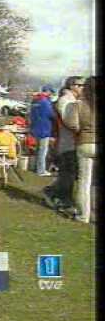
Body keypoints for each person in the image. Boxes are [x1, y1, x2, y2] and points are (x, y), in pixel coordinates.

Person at [43, 76, 85, 209]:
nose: (82, 88)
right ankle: (60, 198)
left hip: (72, 141)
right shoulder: (65, 100)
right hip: (66, 142)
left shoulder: (73, 100)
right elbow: (69, 121)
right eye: (80, 85)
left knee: (69, 172)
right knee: (68, 172)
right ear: (71, 86)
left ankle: (54, 193)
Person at [62, 77, 97, 223]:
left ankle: (84, 215)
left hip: (85, 142)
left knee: (84, 182)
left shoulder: (77, 105)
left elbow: (73, 125)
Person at [30, 84, 57, 176]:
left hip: (35, 127)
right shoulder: (46, 102)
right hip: (44, 128)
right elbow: (51, 115)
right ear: (48, 92)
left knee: (37, 150)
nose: (52, 94)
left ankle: (36, 167)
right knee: (43, 151)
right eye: (51, 92)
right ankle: (41, 170)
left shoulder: (34, 101)